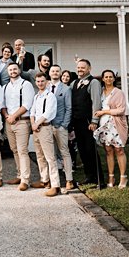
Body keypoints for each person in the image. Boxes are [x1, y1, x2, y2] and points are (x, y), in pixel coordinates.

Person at [71, 59, 105, 187]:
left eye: (83, 67)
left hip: (88, 122)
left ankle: (99, 179)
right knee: (82, 150)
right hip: (77, 121)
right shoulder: (74, 83)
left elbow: (96, 102)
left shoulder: (94, 82)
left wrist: (94, 121)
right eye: (78, 67)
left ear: (89, 69)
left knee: (91, 150)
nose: (80, 69)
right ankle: (89, 176)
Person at [2, 62, 35, 191]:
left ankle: (25, 179)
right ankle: (19, 175)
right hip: (9, 121)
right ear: (8, 72)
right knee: (14, 150)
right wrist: (7, 117)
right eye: (10, 70)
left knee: (22, 150)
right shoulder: (5, 87)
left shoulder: (26, 85)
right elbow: (3, 105)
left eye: (15, 69)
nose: (13, 71)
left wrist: (14, 116)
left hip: (22, 121)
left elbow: (27, 104)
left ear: (19, 70)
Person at [93, 70, 128, 189]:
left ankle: (123, 177)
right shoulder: (101, 92)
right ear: (102, 79)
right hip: (104, 125)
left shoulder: (118, 93)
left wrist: (104, 112)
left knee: (119, 150)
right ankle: (111, 177)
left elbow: (121, 110)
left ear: (114, 79)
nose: (108, 79)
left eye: (110, 77)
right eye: (106, 77)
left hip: (116, 124)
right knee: (108, 151)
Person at [29, 74, 60, 196]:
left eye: (42, 81)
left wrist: (37, 123)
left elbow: (49, 113)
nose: (40, 83)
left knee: (50, 157)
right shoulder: (36, 96)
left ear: (47, 82)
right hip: (36, 129)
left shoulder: (50, 96)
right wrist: (33, 124)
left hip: (45, 128)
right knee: (40, 156)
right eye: (38, 81)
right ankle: (45, 180)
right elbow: (32, 111)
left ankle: (55, 185)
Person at [48, 64, 74, 192]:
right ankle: (53, 181)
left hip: (60, 126)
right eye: (53, 71)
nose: (55, 73)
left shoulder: (66, 88)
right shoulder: (46, 86)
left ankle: (69, 179)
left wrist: (64, 124)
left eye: (57, 71)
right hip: (47, 126)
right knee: (51, 154)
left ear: (60, 73)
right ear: (49, 73)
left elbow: (69, 108)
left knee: (64, 152)